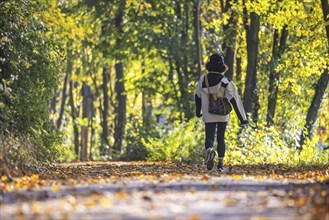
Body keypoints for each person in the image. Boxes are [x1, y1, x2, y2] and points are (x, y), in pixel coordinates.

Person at [195, 53, 248, 171]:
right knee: (220, 138)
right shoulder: (225, 81)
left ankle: (209, 150)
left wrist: (198, 112)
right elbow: (235, 100)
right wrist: (242, 118)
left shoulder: (203, 79)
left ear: (209, 65)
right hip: (222, 113)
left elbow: (197, 96)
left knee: (209, 138)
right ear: (222, 66)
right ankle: (220, 164)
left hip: (208, 113)